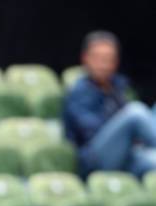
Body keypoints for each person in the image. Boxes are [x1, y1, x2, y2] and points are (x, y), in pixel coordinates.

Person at [63, 31, 156, 178]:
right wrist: (128, 131)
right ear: (85, 58)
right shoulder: (79, 93)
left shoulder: (118, 88)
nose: (104, 64)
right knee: (135, 112)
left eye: (108, 59)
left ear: (116, 62)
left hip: (125, 155)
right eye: (98, 58)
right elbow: (91, 131)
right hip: (95, 160)